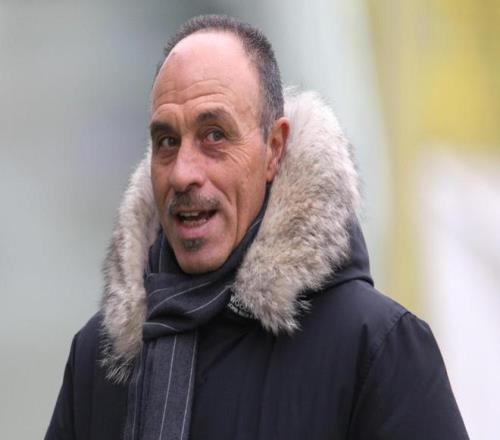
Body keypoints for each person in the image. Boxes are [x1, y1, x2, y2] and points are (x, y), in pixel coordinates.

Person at [45, 15, 469, 440]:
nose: (182, 173)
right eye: (167, 141)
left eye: (214, 135)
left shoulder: (377, 347)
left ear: (274, 149)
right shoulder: (97, 359)